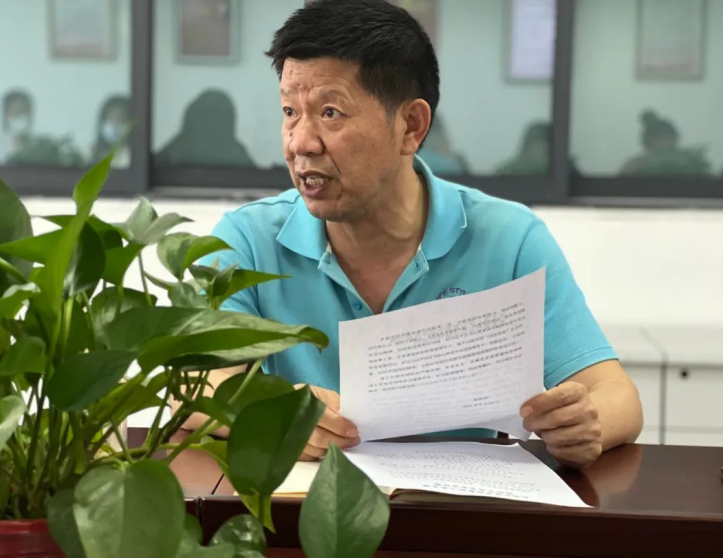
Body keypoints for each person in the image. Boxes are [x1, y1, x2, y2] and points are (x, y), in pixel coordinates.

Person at [175, 0, 642, 469]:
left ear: (411, 126)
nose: (300, 142)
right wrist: (268, 410)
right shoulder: (249, 239)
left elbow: (617, 396)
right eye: (290, 111)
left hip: (452, 508)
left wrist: (586, 422)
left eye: (331, 112)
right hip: (300, 509)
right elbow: (189, 390)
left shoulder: (508, 239)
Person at [154, 89, 254, 167]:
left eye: (223, 116)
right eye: (212, 116)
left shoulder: (237, 154)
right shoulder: (171, 155)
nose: (217, 124)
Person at [619, 110, 711, 176]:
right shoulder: (637, 164)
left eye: (665, 136)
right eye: (658, 137)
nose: (662, 142)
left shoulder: (690, 160)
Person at [0, 90, 34, 164]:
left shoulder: (36, 144)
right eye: (16, 111)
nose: (20, 115)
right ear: (6, 115)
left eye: (24, 111)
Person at [92, 95, 131, 167]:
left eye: (121, 119)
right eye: (111, 118)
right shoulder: (90, 154)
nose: (115, 124)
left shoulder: (133, 156)